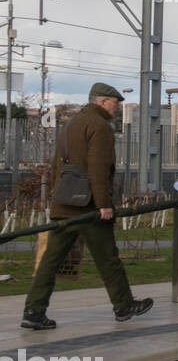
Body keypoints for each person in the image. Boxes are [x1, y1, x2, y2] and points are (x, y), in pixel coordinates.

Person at [21, 83, 153, 330]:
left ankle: (33, 311)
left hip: (64, 202)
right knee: (108, 258)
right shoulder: (100, 127)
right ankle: (124, 306)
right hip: (88, 206)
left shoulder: (71, 124)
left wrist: (55, 196)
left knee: (50, 260)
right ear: (102, 102)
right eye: (116, 102)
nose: (118, 107)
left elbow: (56, 166)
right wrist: (103, 204)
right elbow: (98, 168)